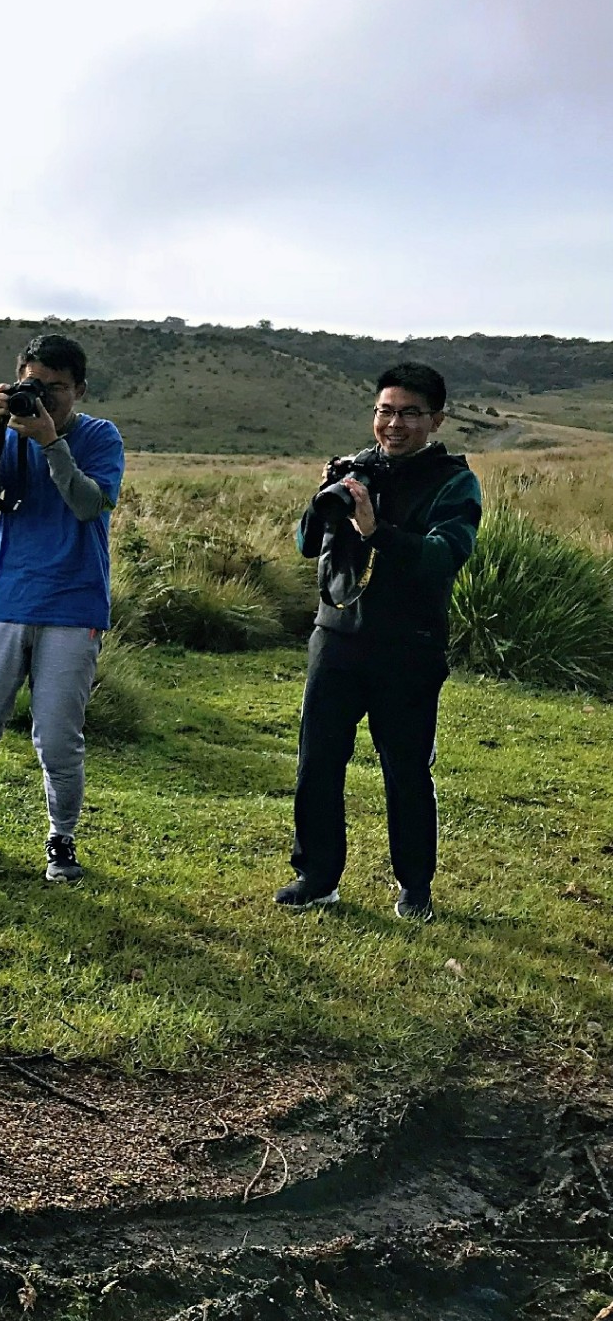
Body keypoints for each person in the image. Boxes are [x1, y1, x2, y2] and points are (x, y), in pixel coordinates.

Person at [278, 362, 481, 920]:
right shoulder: (357, 470)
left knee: (406, 767)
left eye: (409, 413)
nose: (394, 424)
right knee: (317, 760)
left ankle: (415, 885)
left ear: (435, 420)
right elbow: (304, 543)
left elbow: (446, 555)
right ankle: (316, 877)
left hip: (408, 645)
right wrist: (326, 495)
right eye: (384, 411)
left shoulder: (453, 481)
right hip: (337, 637)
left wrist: (375, 531)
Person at [0, 332, 122, 881]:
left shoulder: (101, 437)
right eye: (36, 385)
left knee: (57, 738)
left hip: (74, 603)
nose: (47, 398)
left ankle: (62, 839)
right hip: (8, 597)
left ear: (80, 389)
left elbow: (87, 505)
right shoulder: (9, 432)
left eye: (58, 388)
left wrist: (50, 440)